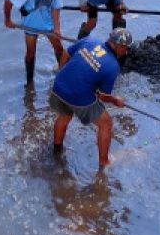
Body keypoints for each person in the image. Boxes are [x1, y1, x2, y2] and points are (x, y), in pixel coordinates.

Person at [49, 28, 132, 167]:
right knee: (106, 123)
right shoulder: (113, 66)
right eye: (126, 48)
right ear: (120, 46)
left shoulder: (90, 39)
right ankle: (104, 162)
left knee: (64, 116)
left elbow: (66, 54)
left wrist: (63, 71)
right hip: (77, 97)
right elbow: (104, 96)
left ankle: (56, 150)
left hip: (58, 86)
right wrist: (115, 100)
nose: (127, 51)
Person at [4, 0, 71, 84]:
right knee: (30, 53)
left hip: (48, 25)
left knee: (59, 49)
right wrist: (8, 20)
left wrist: (57, 28)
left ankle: (63, 76)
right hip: (31, 25)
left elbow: (55, 8)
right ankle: (29, 83)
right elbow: (8, 2)